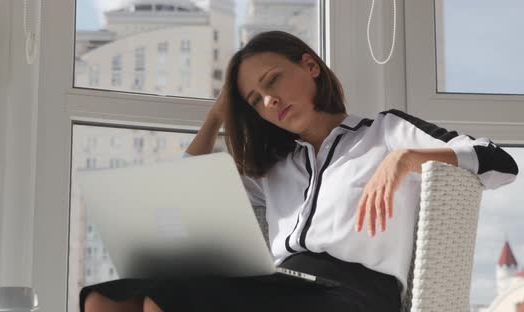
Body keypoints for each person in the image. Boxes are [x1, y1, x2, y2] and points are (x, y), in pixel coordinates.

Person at [81, 31, 519, 312]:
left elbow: (499, 161)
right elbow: (182, 191)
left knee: (169, 298)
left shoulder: (385, 131)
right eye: (254, 100)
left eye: (272, 81)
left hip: (353, 297)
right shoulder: (274, 170)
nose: (268, 101)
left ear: (310, 66)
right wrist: (216, 118)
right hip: (278, 286)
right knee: (103, 299)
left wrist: (405, 158)